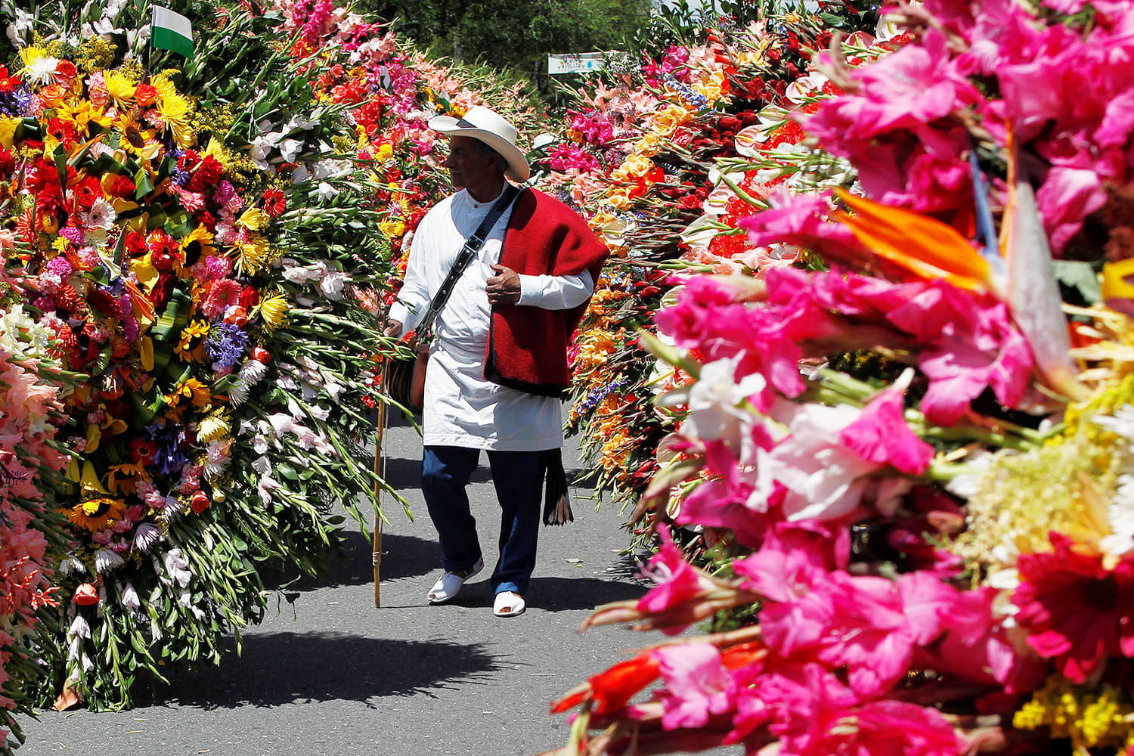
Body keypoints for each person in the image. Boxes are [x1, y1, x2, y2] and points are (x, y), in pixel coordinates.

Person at [384, 107, 607, 617]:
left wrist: (522, 288)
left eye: (462, 153)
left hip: (517, 369)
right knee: (439, 475)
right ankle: (461, 560)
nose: (451, 161)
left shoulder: (544, 216)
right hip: (449, 366)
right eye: (452, 151)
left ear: (492, 160)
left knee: (520, 487)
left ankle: (510, 578)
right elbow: (417, 287)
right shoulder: (438, 217)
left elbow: (580, 285)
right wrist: (399, 318)